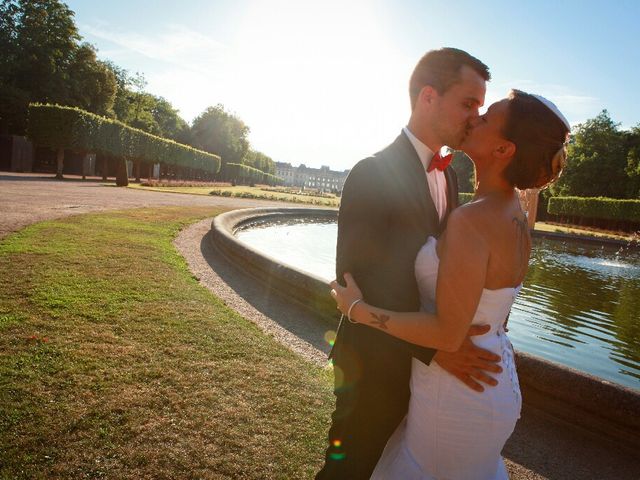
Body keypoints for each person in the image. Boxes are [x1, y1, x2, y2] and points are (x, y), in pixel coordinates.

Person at [330, 89, 571, 479]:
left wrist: (358, 310)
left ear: (503, 150)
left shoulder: (473, 220)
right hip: (489, 377)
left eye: (486, 117)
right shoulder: (516, 215)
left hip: (459, 390)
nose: (475, 118)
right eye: (472, 107)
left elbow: (446, 332)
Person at [316, 48, 502, 480]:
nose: (475, 117)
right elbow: (357, 281)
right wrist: (437, 348)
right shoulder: (371, 172)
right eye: (468, 104)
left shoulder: (451, 175)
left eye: (480, 107)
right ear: (428, 97)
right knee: (349, 469)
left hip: (427, 376)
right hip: (374, 366)